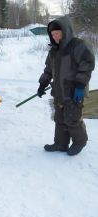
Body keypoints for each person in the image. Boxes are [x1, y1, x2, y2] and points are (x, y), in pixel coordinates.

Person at [37, 16, 95, 156]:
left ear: (65, 31)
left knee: (72, 118)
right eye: (52, 34)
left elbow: (87, 65)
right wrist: (42, 84)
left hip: (74, 90)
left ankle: (79, 141)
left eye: (57, 33)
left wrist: (80, 85)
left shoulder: (78, 45)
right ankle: (61, 144)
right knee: (59, 118)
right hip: (59, 91)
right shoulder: (54, 51)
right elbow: (48, 70)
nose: (55, 36)